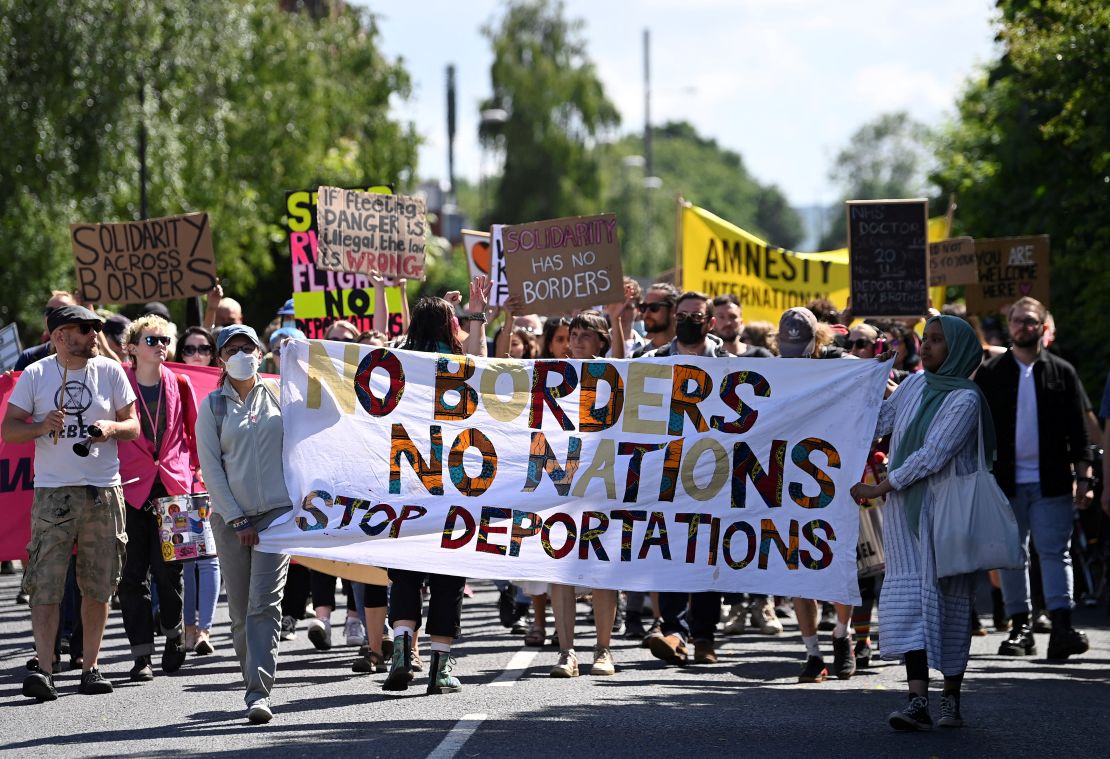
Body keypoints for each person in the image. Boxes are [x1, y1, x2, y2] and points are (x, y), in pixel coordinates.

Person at [850, 314, 995, 731]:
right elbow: (880, 424)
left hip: (945, 515)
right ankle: (917, 700)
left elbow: (933, 455)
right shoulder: (914, 384)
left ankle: (950, 695)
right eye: (925, 339)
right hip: (904, 516)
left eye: (937, 341)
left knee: (949, 604)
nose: (927, 346)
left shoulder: (965, 399)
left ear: (959, 350)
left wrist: (880, 487)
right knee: (911, 601)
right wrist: (860, 387)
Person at [3, 305, 139, 700]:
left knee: (98, 584)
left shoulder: (111, 372)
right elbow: (9, 431)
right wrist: (41, 426)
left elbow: (133, 426)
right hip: (53, 492)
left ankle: (90, 667)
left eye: (96, 328)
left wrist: (111, 427)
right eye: (85, 329)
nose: (94, 335)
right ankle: (44, 670)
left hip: (103, 490)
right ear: (60, 336)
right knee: (45, 583)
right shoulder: (36, 374)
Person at [382, 276, 491, 695]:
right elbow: (482, 358)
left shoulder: (393, 360)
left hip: (406, 483)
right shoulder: (460, 364)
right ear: (449, 329)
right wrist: (474, 316)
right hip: (455, 484)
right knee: (448, 577)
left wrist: (437, 312)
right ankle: (441, 667)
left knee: (405, 575)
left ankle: (402, 651)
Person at [974, 297, 1092, 661]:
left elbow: (1078, 429)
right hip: (1005, 482)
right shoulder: (993, 372)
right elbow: (979, 428)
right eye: (1017, 321)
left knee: (1055, 553)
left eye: (1029, 321)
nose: (1022, 327)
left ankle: (1061, 625)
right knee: (1012, 556)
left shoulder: (1062, 372)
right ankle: (1020, 627)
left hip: (1051, 480)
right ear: (1009, 327)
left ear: (1043, 326)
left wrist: (1084, 476)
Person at [195, 325, 292, 724]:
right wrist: (236, 518)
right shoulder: (213, 406)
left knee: (264, 606)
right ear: (221, 359)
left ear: (260, 352)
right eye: (232, 349)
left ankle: (258, 693)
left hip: (277, 517)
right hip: (230, 519)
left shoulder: (282, 394)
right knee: (239, 612)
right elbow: (211, 469)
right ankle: (251, 679)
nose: (241, 354)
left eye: (247, 347)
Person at [116, 315, 200, 682]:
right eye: (152, 340)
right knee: (132, 575)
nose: (161, 346)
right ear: (132, 348)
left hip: (174, 486)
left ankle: (173, 632)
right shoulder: (118, 382)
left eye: (165, 340)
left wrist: (195, 480)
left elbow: (194, 437)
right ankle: (140, 656)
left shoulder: (180, 382)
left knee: (170, 572)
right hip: (130, 487)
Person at [776, 307, 855, 682]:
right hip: (791, 478)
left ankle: (842, 633)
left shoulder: (841, 362)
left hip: (833, 477)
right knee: (796, 567)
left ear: (818, 339)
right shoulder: (776, 369)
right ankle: (812, 653)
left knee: (837, 560)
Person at [176, 326, 221, 654]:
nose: (196, 355)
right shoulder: (173, 382)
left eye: (204, 348)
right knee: (185, 560)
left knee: (209, 558)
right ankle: (187, 628)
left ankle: (203, 630)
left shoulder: (226, 384)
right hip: (179, 481)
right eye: (189, 349)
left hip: (215, 482)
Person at [14, 291, 77, 370]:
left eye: (62, 310)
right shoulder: (28, 357)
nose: (53, 315)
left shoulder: (85, 354)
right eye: (49, 310)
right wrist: (10, 380)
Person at [632, 283, 678, 357]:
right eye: (643, 307)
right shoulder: (637, 356)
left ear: (673, 310)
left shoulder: (689, 352)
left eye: (654, 307)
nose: (646, 313)